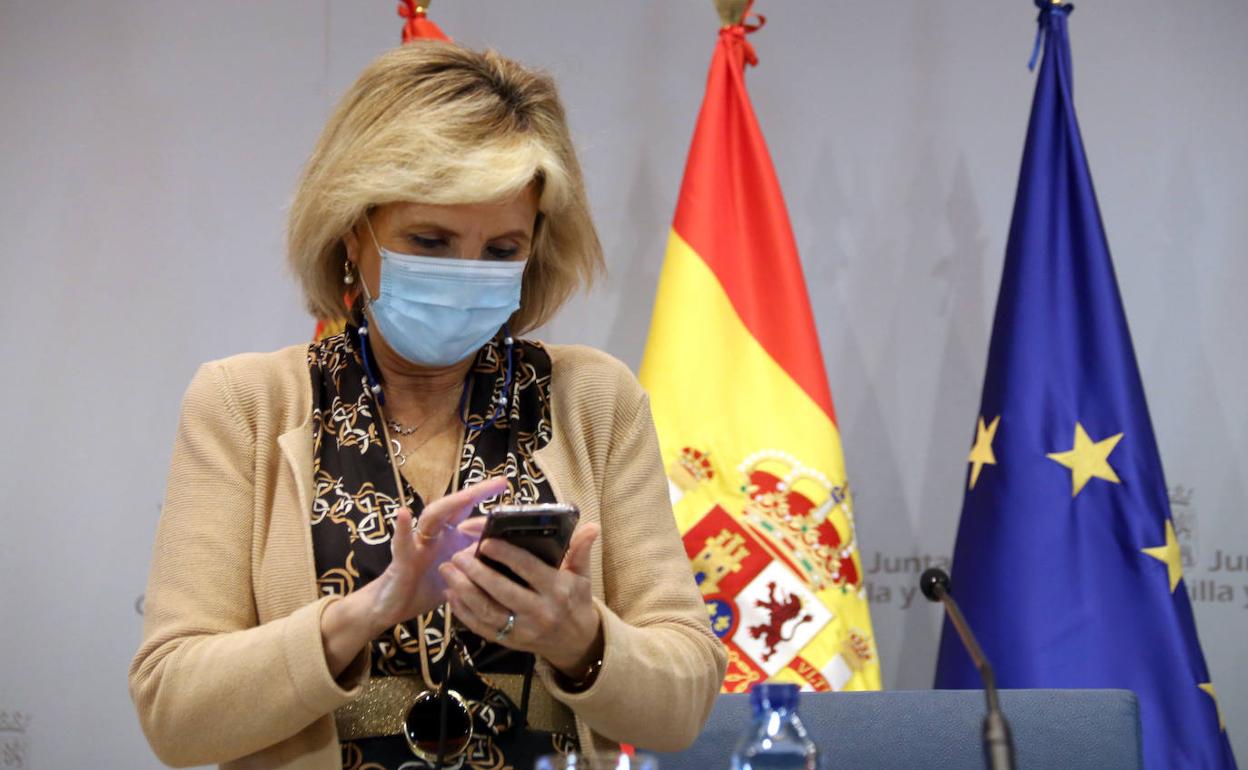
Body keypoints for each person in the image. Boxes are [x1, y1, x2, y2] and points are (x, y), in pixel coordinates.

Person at [128, 42, 726, 770]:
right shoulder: (244, 404)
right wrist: (362, 614)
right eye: (430, 241)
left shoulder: (594, 400)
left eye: (501, 250)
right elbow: (175, 712)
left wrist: (583, 641)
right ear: (353, 229)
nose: (465, 274)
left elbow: (685, 701)